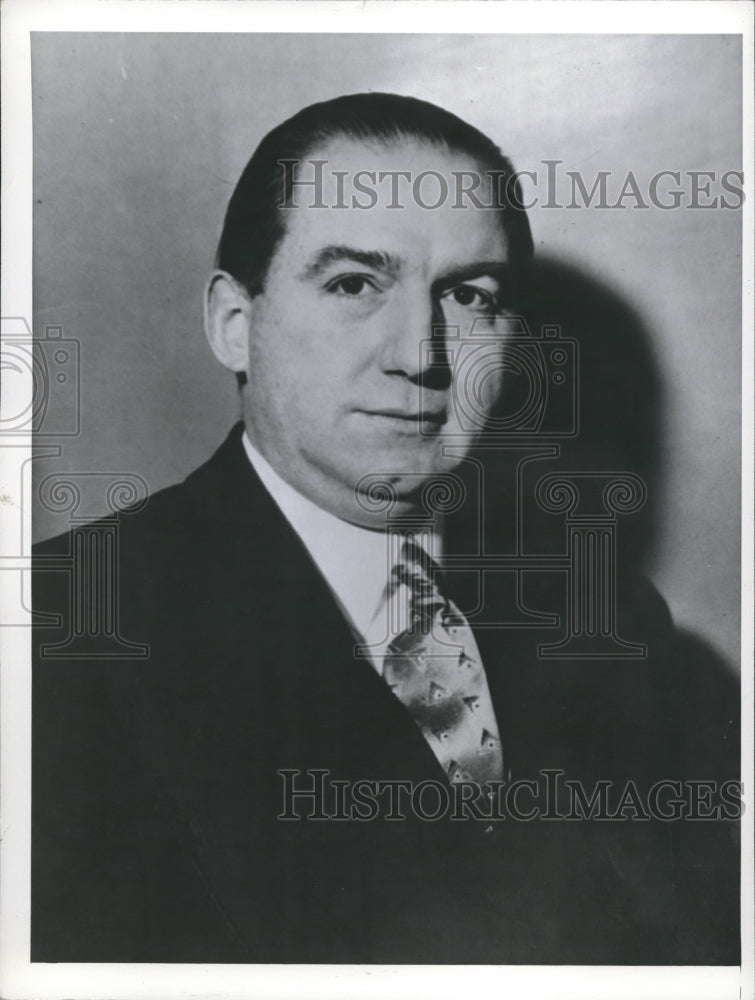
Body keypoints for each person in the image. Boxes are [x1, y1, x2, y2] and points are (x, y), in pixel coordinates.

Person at [32, 93, 739, 965]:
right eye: (354, 284)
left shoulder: (614, 627)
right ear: (233, 323)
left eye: (468, 296)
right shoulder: (58, 628)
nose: (422, 354)